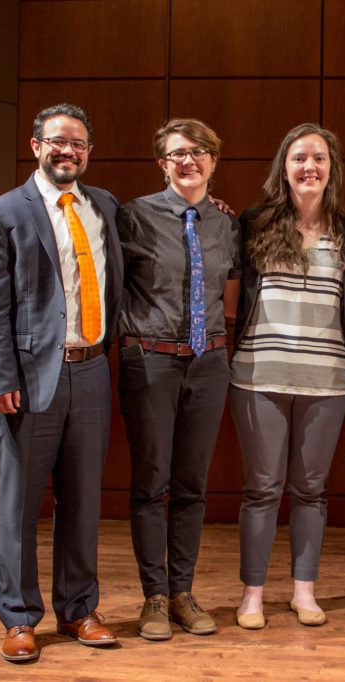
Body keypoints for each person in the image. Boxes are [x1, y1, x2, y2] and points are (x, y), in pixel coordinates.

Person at [0, 103, 122, 662]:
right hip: (29, 381)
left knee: (83, 503)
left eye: (78, 143)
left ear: (88, 152)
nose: (67, 151)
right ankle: (19, 617)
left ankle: (80, 610)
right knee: (19, 504)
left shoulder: (103, 206)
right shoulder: (3, 213)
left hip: (93, 370)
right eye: (57, 141)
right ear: (35, 146)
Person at [229, 123, 345, 629]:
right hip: (258, 376)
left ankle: (304, 592)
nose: (310, 167)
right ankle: (252, 595)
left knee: (311, 490)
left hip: (328, 380)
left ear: (332, 169)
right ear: (283, 167)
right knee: (261, 488)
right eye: (299, 157)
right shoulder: (253, 223)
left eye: (319, 158)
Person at [117, 118, 240, 641]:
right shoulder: (133, 217)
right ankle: (154, 597)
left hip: (209, 363)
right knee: (151, 483)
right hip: (150, 361)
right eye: (177, 154)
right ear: (162, 163)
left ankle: (184, 593)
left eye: (199, 152)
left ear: (214, 161)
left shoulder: (227, 224)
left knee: (192, 485)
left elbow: (230, 295)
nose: (188, 161)